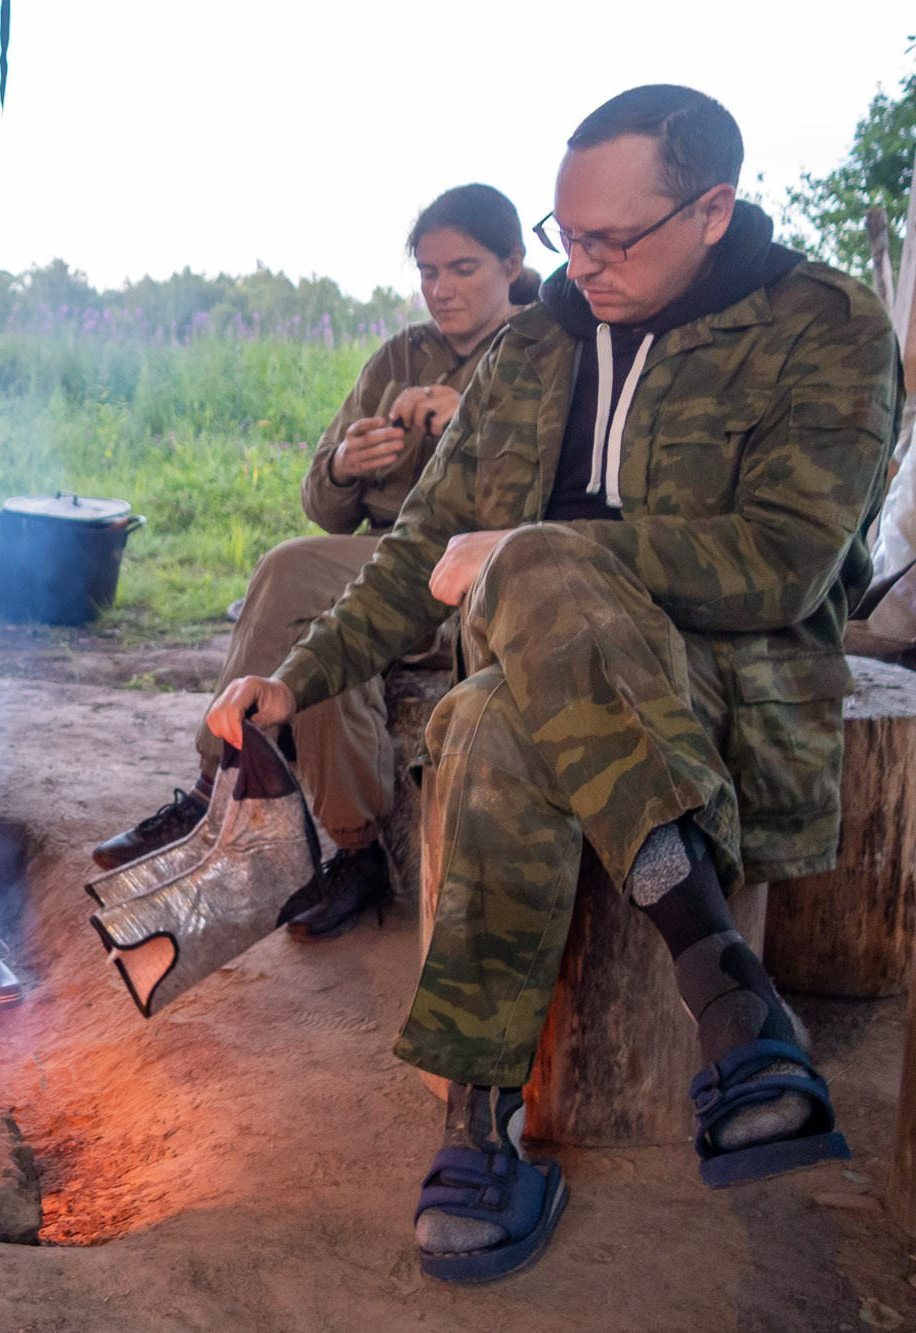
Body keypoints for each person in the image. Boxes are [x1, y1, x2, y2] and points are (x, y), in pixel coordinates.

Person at [208, 86, 901, 1283]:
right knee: (496, 677)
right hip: (555, 693)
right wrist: (293, 675)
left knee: (494, 678)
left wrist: (542, 554)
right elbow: (421, 543)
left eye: (609, 241)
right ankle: (727, 995)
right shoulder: (539, 343)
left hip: (721, 700)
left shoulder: (822, 327)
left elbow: (786, 565)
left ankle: (478, 1126)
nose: (575, 265)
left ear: (711, 209)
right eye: (564, 233)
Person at [92, 184, 539, 940]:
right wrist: (343, 467)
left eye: (462, 269)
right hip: (384, 563)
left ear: (512, 263)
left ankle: (215, 785)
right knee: (327, 638)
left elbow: (544, 504)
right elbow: (323, 507)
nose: (442, 289)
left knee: (293, 570)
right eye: (428, 271)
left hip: (479, 575)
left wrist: (469, 427)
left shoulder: (538, 357)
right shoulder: (400, 355)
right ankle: (357, 853)